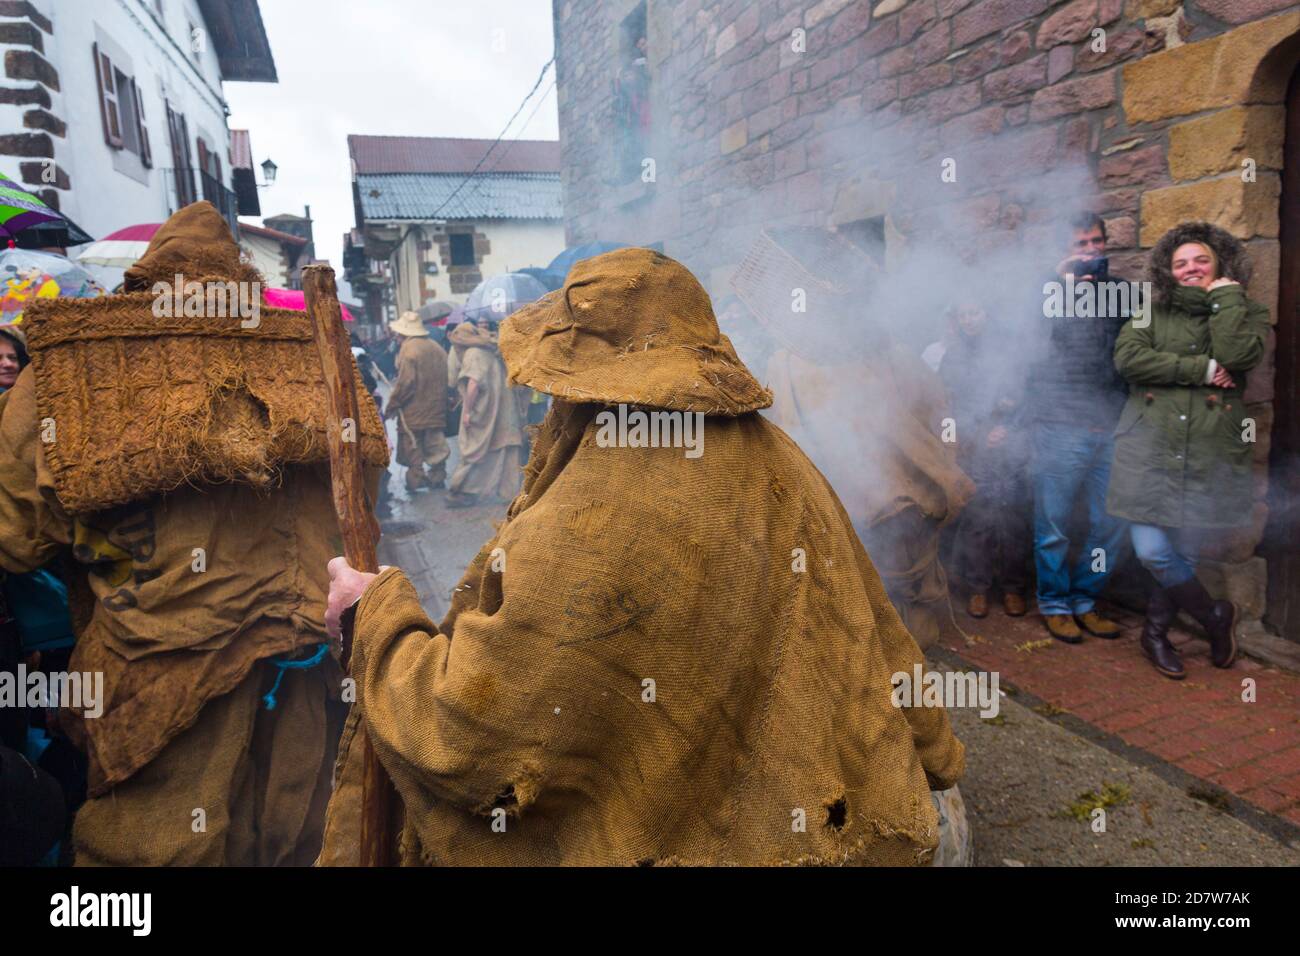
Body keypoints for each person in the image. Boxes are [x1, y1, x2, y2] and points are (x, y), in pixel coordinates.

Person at [317, 249, 964, 866]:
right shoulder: (790, 466)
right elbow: (879, 637)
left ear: (576, 383)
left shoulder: (592, 509)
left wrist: (375, 612)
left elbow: (469, 735)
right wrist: (933, 751)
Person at [0, 202, 382, 865]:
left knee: (152, 850)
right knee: (293, 837)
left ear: (147, 280)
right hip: (307, 663)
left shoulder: (71, 370)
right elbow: (361, 504)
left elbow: (16, 537)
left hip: (158, 678)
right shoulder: (312, 354)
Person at [1107, 222, 1269, 680]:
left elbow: (1239, 355)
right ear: (1168, 270)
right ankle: (1215, 615)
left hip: (1207, 449)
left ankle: (1155, 633)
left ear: (1219, 263)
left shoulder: (1246, 310)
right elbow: (1129, 360)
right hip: (1151, 447)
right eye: (1181, 263)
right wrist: (1201, 368)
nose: (1191, 268)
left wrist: (1226, 301)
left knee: (1187, 549)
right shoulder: (1150, 311)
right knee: (1153, 549)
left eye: (1201, 260)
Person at [1027, 213, 1131, 643]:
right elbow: (1031, 348)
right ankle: (1054, 602)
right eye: (1081, 244)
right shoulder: (1044, 293)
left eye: (1096, 242)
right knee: (1053, 526)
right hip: (1059, 424)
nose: (1090, 251)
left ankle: (1085, 599)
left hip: (1110, 425)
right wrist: (1064, 287)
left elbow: (1132, 352)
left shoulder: (1123, 293)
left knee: (1111, 524)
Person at [938, 302, 1031, 619]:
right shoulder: (953, 357)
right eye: (962, 313)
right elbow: (948, 404)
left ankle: (1013, 588)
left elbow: (1027, 396)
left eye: (975, 312)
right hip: (975, 448)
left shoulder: (1010, 351)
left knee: (1014, 521)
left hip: (1012, 446)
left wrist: (1009, 428)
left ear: (987, 313)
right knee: (978, 521)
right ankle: (978, 588)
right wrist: (979, 434)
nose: (969, 319)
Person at [445, 319, 524, 508]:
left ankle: (464, 490)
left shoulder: (473, 354)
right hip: (506, 409)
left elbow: (473, 384)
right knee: (508, 447)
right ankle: (509, 492)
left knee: (475, 450)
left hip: (488, 411)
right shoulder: (491, 351)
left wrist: (467, 412)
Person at [386, 310, 450, 493]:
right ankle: (438, 477)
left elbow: (406, 383)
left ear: (403, 333)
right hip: (437, 408)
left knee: (413, 445)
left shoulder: (408, 350)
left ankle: (416, 479)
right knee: (436, 444)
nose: (397, 338)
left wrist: (393, 404)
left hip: (413, 411)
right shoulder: (436, 347)